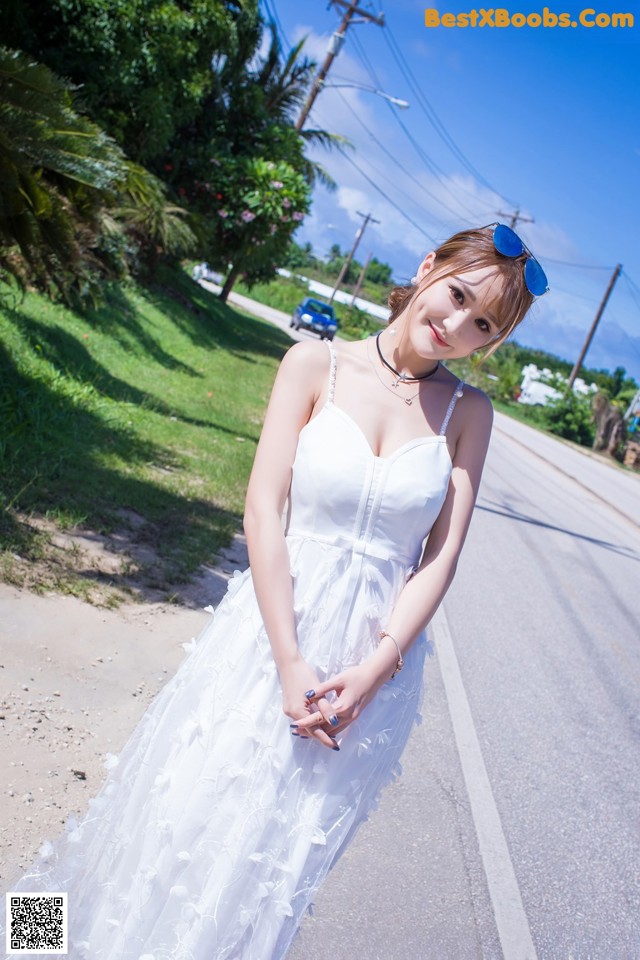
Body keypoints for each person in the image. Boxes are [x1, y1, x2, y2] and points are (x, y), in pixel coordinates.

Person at [2, 223, 546, 959]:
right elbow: (263, 510)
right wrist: (289, 658)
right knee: (173, 811)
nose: (454, 326)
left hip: (362, 677)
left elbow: (439, 558)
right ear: (427, 269)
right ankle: (34, 940)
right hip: (268, 637)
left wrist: (374, 671)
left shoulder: (468, 415)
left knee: (262, 862)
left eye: (482, 324)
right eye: (455, 296)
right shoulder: (313, 364)